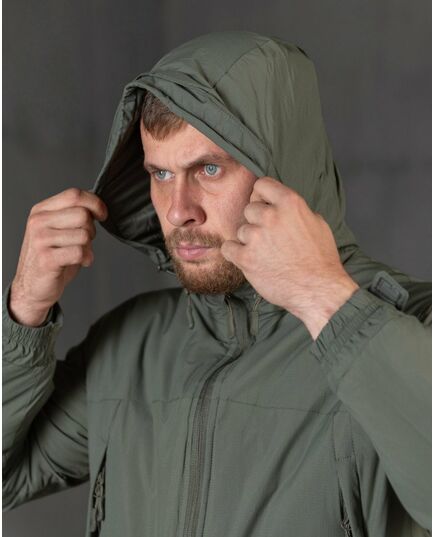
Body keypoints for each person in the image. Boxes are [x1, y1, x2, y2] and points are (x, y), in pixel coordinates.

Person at [3, 30, 431, 536]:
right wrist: (24, 310)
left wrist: (324, 298)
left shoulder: (413, 326)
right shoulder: (130, 349)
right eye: (161, 174)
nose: (178, 211)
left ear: (284, 171)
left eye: (208, 168)